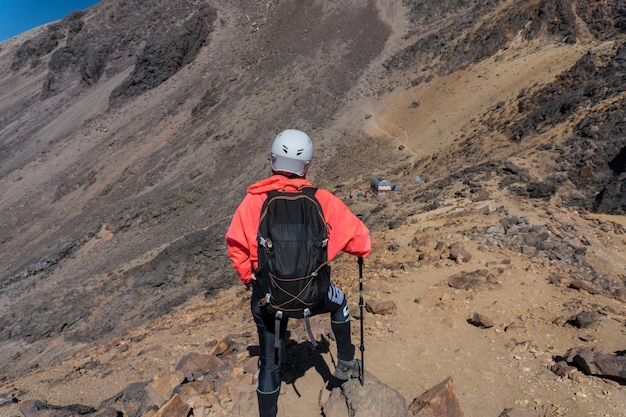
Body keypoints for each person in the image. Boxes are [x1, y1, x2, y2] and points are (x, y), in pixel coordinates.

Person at [225, 129, 371, 417]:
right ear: (307, 166)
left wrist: (248, 277)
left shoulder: (254, 201)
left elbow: (236, 245)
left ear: (273, 161)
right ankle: (345, 363)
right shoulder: (322, 200)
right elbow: (361, 241)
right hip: (313, 294)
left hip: (268, 297)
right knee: (339, 301)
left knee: (268, 364)